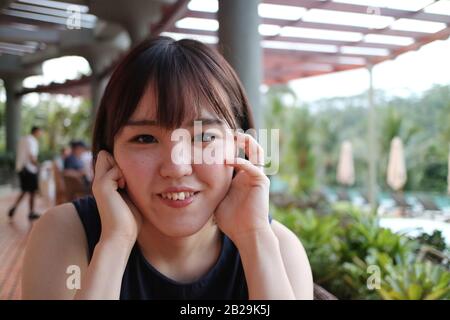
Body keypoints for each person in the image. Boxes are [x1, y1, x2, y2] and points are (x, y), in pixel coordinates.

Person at [22, 37, 313, 299]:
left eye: (204, 137)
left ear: (241, 146)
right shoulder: (65, 234)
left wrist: (253, 239)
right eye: (145, 138)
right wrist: (114, 242)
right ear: (108, 156)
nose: (176, 167)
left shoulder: (280, 250)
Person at [8, 126, 42, 221]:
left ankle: (15, 208)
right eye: (40, 132)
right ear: (36, 131)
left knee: (25, 190)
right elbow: (32, 156)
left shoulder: (23, 139)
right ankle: (30, 212)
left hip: (21, 169)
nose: (41, 134)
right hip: (29, 169)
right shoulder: (32, 141)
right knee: (31, 191)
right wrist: (38, 166)